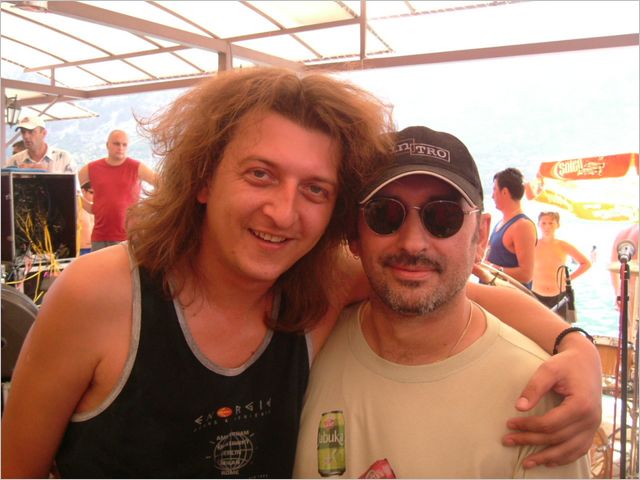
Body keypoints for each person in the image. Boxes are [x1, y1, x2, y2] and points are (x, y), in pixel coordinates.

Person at [1, 68, 601, 479]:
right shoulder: (102, 297)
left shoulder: (320, 288)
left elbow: (450, 290)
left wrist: (574, 346)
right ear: (204, 178)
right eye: (260, 174)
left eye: (315, 188)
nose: (284, 212)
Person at [293, 126, 591, 478]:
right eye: (385, 214)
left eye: (443, 217)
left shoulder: (541, 398)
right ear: (353, 233)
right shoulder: (307, 345)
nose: (412, 243)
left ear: (481, 235)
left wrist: (575, 343)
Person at [77, 130, 157, 251]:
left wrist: (146, 208)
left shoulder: (136, 167)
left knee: (128, 264)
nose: (120, 148)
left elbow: (162, 185)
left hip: (128, 237)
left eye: (124, 145)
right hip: (100, 237)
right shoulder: (91, 169)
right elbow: (74, 191)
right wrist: (91, 206)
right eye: (116, 144)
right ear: (107, 145)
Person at [532, 211, 592, 319]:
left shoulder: (563, 245)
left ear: (557, 225)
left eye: (551, 223)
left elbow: (586, 263)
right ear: (538, 224)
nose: (547, 227)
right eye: (544, 223)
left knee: (563, 327)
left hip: (560, 295)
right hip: (536, 295)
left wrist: (569, 278)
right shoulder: (532, 244)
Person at [486, 167, 537, 288]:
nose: (492, 196)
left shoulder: (522, 226)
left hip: (507, 296)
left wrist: (491, 269)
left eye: (494, 189)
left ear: (504, 192)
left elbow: (526, 275)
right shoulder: (501, 223)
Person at [4, 116, 76, 173]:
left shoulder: (64, 158)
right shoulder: (13, 161)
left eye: (31, 132)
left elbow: (74, 187)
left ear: (44, 133)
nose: (26, 136)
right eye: (23, 132)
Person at [77, 182, 95, 256]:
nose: (94, 196)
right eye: (91, 192)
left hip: (94, 248)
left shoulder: (95, 208)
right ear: (83, 191)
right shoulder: (77, 206)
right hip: (81, 249)